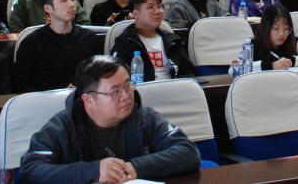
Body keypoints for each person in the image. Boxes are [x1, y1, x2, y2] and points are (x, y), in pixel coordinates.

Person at [18, 55, 201, 184]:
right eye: (115, 92)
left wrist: (135, 167)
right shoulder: (62, 127)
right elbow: (30, 170)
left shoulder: (144, 117)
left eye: (128, 86)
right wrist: (94, 171)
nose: (126, 96)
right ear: (88, 100)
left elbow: (188, 152)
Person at [13, 0, 102, 92]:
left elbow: (101, 75)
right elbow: (19, 83)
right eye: (64, 0)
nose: (71, 4)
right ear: (47, 8)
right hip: (44, 100)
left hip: (85, 98)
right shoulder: (31, 43)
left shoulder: (90, 38)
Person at [110, 0, 195, 80]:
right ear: (136, 14)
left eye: (159, 6)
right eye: (150, 7)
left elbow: (189, 73)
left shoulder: (173, 40)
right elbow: (118, 78)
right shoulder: (125, 43)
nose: (158, 11)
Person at [255, 4, 298, 70]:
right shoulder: (252, 45)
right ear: (266, 28)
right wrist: (272, 66)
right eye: (276, 28)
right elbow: (245, 67)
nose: (281, 34)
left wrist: (292, 61)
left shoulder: (294, 42)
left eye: (286, 29)